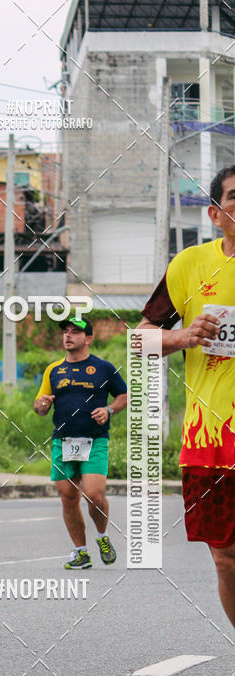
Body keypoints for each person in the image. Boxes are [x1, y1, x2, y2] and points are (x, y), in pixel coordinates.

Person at [138, 165, 235, 630]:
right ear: (216, 214)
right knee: (227, 562)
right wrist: (183, 336)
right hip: (211, 440)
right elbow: (140, 339)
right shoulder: (190, 266)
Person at [33, 316, 128, 569]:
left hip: (95, 440)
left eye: (75, 332)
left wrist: (109, 410)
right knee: (68, 498)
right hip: (62, 442)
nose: (68, 335)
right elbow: (39, 405)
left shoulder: (103, 368)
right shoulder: (54, 370)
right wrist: (41, 405)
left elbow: (124, 395)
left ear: (88, 339)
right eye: (66, 331)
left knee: (94, 495)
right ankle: (80, 552)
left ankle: (102, 536)